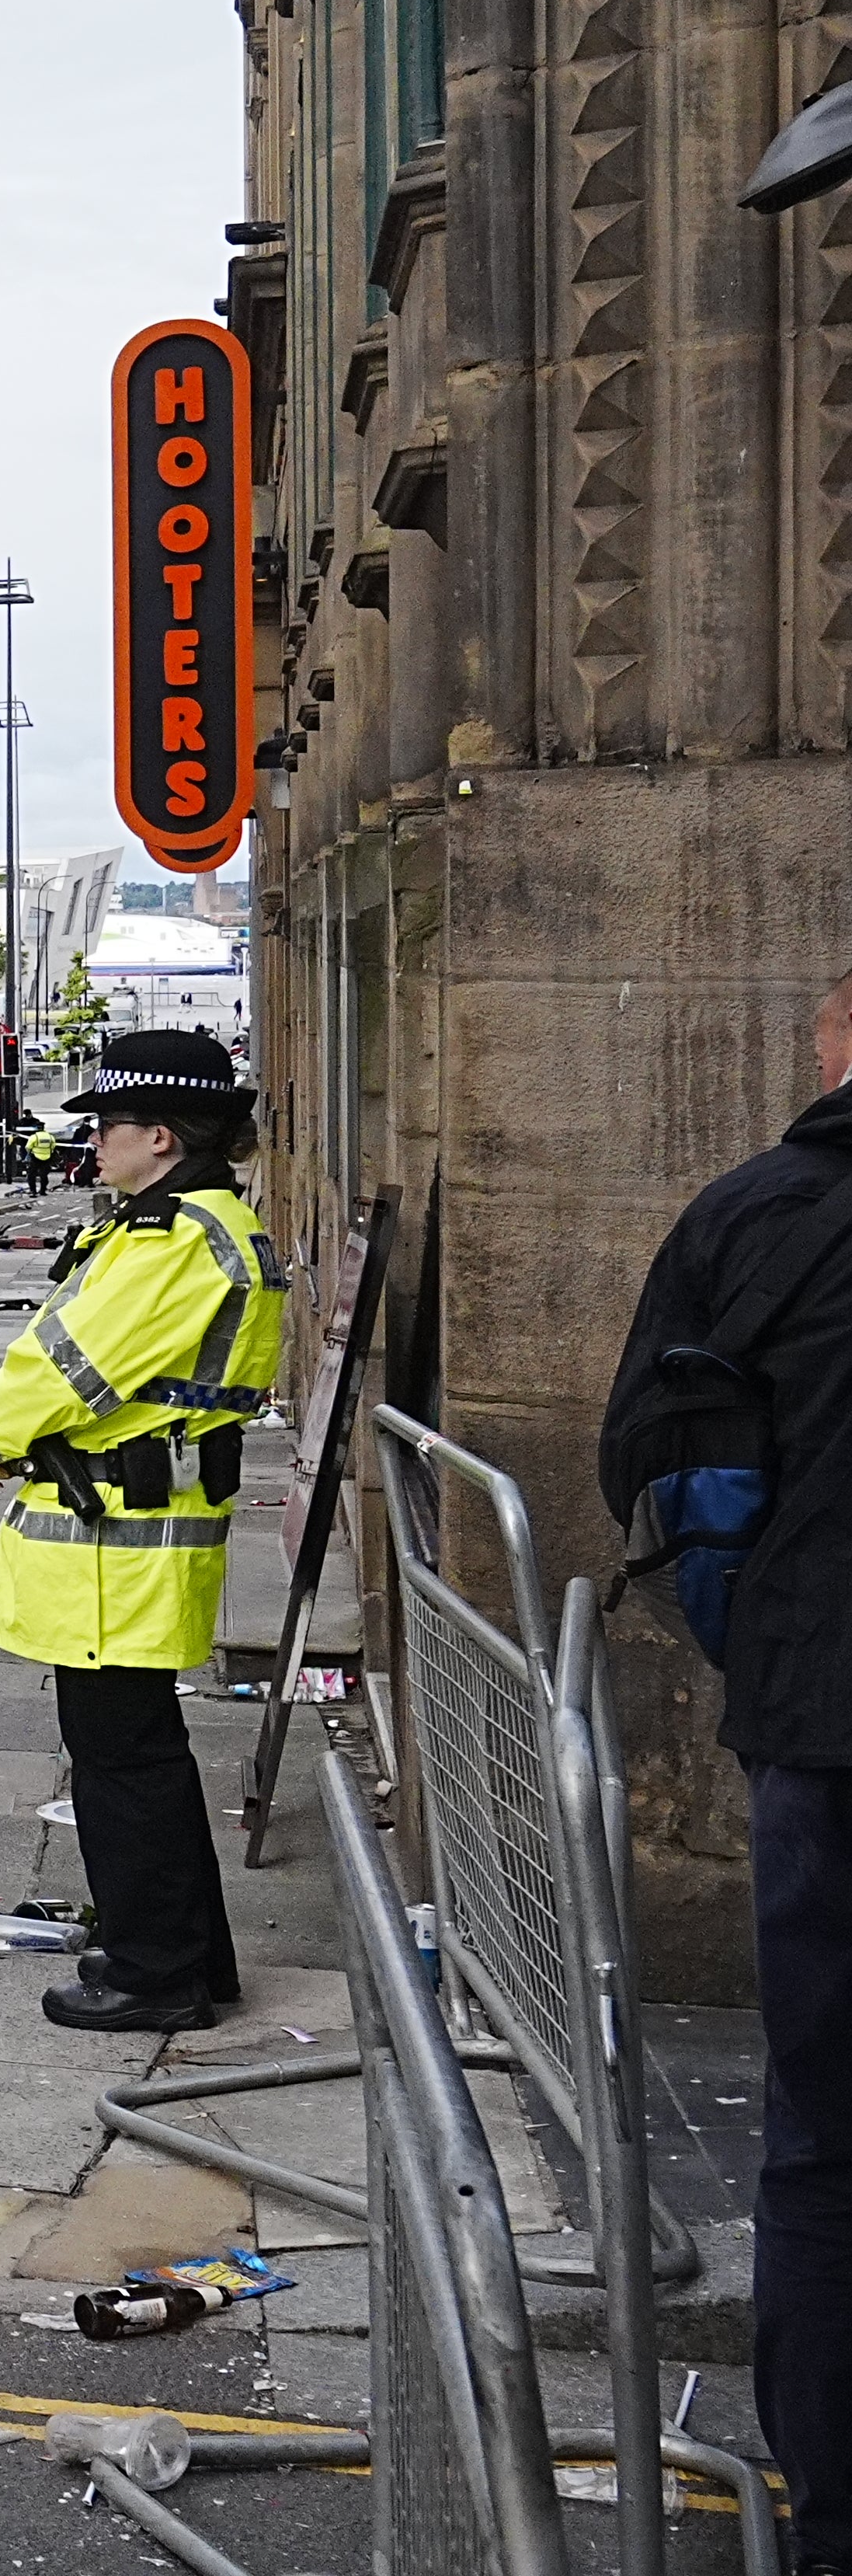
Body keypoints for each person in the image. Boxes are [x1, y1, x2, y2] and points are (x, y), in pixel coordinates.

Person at [601, 967, 852, 2558]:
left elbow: (664, 1454)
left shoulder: (761, 1213)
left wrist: (755, 1637)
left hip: (828, 1723)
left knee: (827, 2135)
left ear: (838, 1044)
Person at [0, 1027, 289, 2031]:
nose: (92, 1142)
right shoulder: (183, 1226)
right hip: (133, 1528)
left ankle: (154, 1975)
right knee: (141, 1753)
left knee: (122, 1764)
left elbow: (64, 1368)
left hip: (118, 1541)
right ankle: (190, 1955)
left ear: (162, 1134)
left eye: (107, 1125)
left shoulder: (177, 1239)